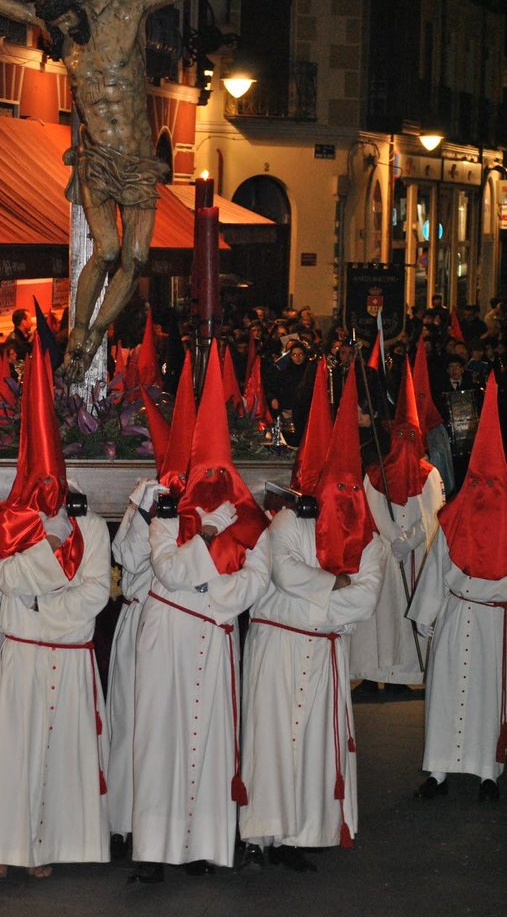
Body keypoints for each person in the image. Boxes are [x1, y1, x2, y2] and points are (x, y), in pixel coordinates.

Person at [0, 0, 271, 380]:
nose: (62, 32)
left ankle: (93, 335)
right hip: (97, 157)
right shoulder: (60, 31)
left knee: (137, 258)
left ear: (80, 6)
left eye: (66, 21)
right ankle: (78, 343)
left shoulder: (126, 11)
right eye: (56, 26)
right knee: (105, 251)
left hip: (139, 159)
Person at [131, 343, 270, 880]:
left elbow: (255, 583)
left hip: (212, 634)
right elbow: (169, 571)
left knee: (208, 738)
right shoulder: (170, 515)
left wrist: (212, 596)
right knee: (161, 736)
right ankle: (153, 850)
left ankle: (204, 844)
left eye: (219, 469)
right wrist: (209, 542)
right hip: (167, 633)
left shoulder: (250, 520)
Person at [239, 367, 386, 871]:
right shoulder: (286, 523)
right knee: (272, 738)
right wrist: (334, 585)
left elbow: (364, 600)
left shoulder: (371, 539)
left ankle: (301, 833)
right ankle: (260, 834)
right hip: (278, 648)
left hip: (323, 652)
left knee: (312, 746)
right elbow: (285, 575)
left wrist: (323, 589)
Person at [0, 342, 111, 878]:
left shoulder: (93, 527)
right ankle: (6, 847)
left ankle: (54, 843)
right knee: (14, 752)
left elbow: (97, 592)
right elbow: (0, 582)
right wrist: (49, 562)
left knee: (62, 752)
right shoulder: (8, 527)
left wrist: (42, 603)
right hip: (24, 655)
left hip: (66, 652)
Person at [106, 357, 197, 857]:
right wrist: (151, 514)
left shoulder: (209, 493)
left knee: (179, 725)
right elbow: (125, 556)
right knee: (135, 719)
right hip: (144, 616)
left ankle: (180, 825)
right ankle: (126, 820)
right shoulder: (146, 494)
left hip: (189, 623)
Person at [408, 373, 506, 803]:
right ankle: (439, 770)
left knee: (488, 696)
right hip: (456, 614)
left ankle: (489, 770)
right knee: (447, 694)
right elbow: (436, 570)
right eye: (478, 484)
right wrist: (426, 618)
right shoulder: (454, 520)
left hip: (493, 622)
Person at [350, 359, 444, 695]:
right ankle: (374, 673)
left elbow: (433, 515)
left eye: (411, 435)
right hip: (385, 554)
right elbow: (373, 509)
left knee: (407, 613)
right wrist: (393, 539)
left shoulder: (429, 473)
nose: (404, 441)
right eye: (399, 434)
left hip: (415, 554)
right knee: (380, 615)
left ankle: (404, 673)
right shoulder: (375, 472)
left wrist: (410, 540)